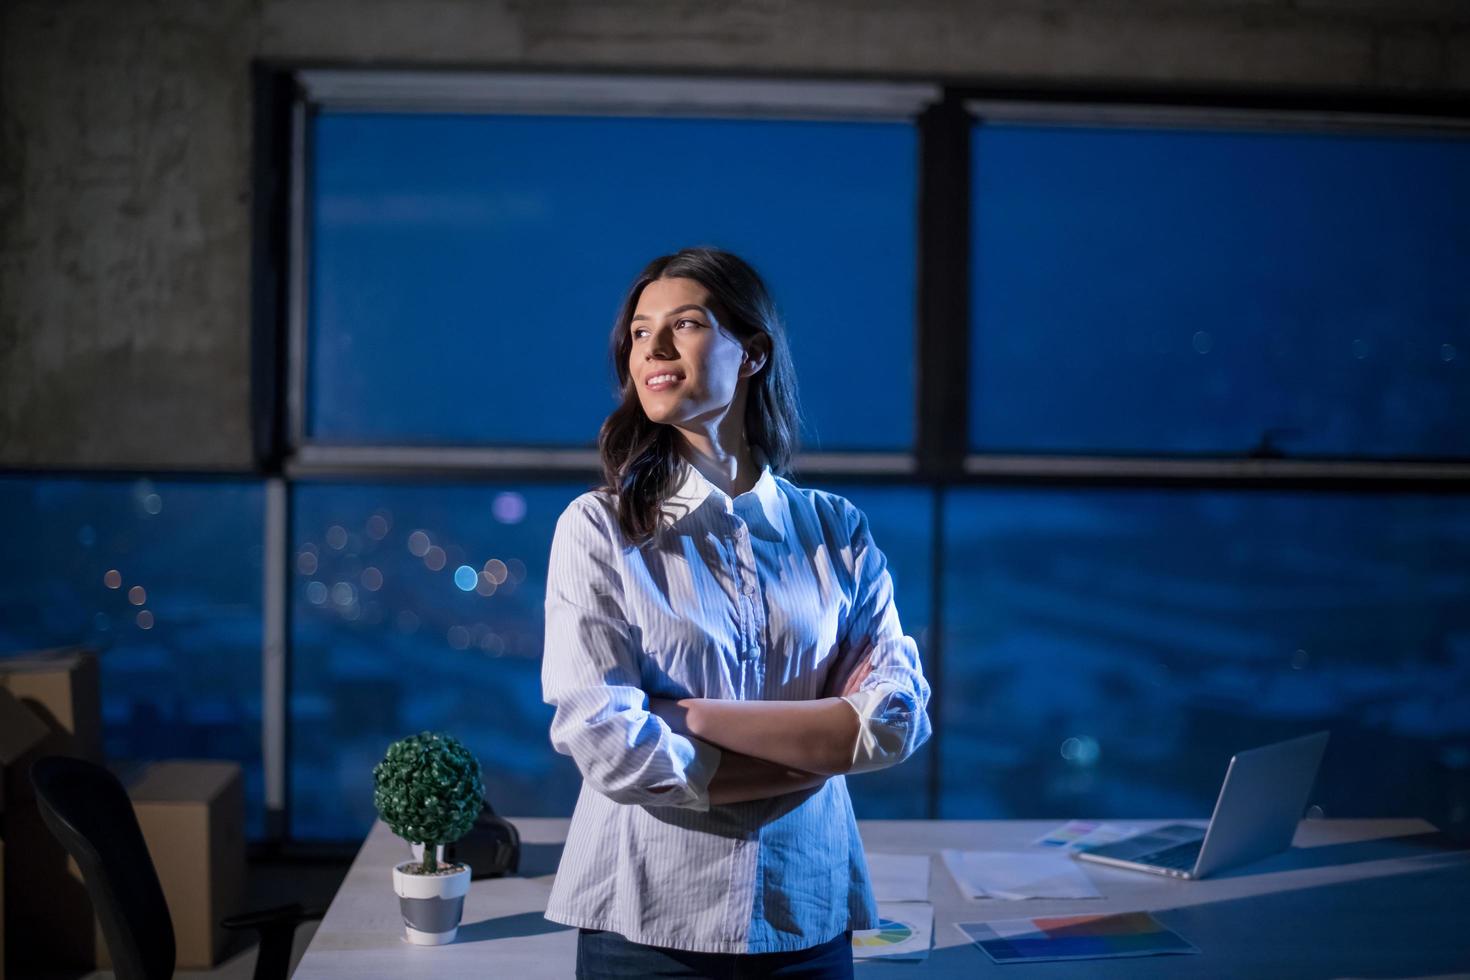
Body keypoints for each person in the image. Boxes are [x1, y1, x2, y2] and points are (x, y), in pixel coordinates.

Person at [541, 246, 933, 979]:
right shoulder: (600, 528)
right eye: (638, 331)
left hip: (806, 918)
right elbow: (607, 744)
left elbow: (895, 720)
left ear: (752, 352)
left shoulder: (835, 530)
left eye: (684, 324)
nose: (652, 348)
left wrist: (688, 717)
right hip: (648, 928)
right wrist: (815, 752)